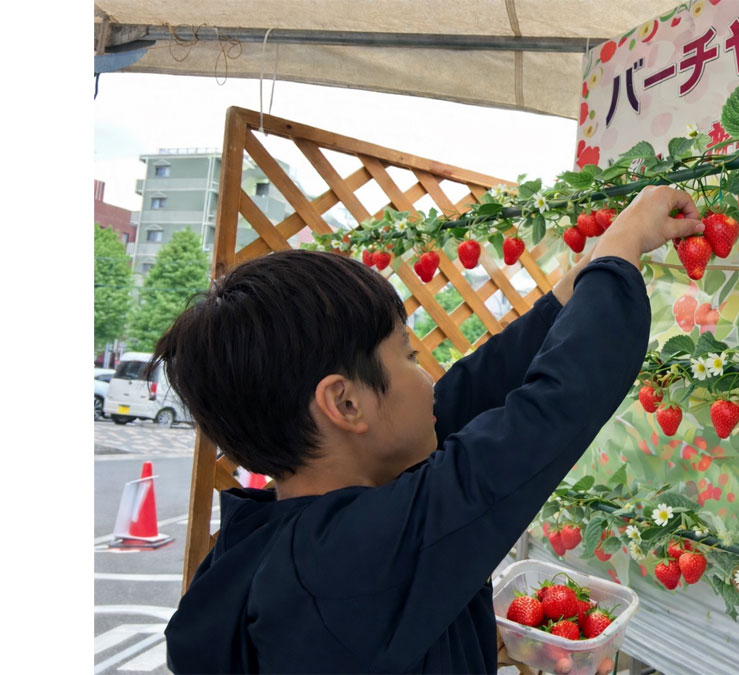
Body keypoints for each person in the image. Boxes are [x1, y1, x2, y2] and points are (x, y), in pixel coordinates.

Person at [156, 186, 705, 673]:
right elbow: (548, 412)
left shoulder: (282, 537)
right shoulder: (350, 564)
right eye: (408, 354)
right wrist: (623, 248)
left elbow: (467, 399)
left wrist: (580, 282)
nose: (428, 377)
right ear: (345, 403)